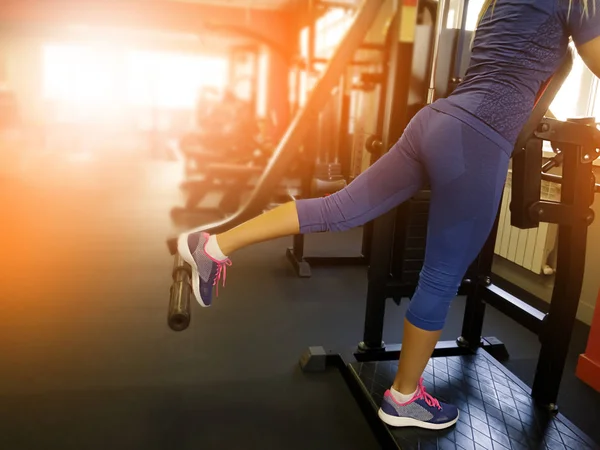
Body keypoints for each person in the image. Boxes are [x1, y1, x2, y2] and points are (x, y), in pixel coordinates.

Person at [177, 0, 600, 430]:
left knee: (338, 207)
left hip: (436, 121)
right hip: (477, 139)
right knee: (442, 275)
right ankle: (403, 397)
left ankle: (213, 245)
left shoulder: (494, 4)